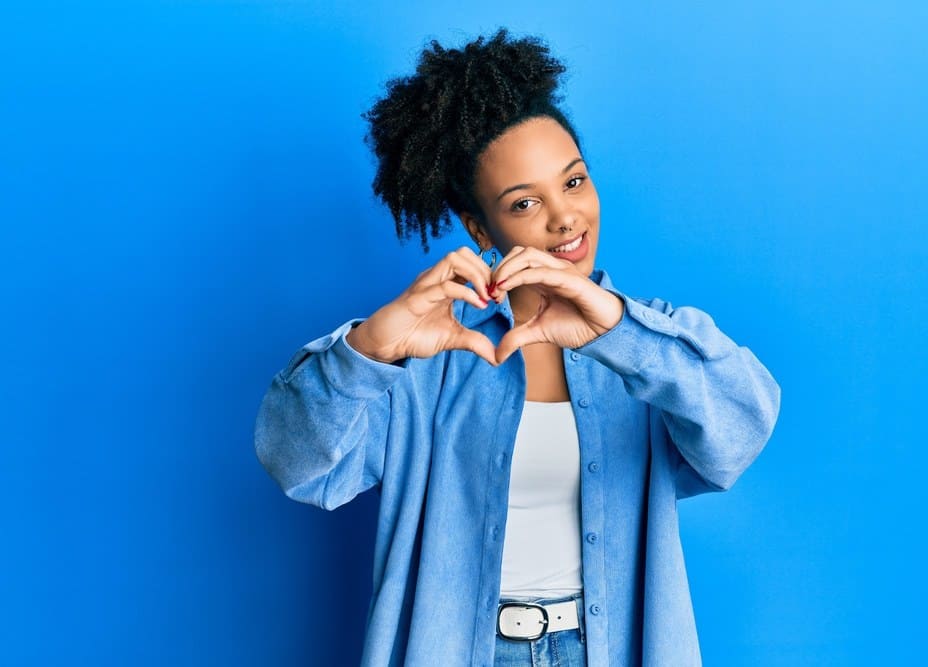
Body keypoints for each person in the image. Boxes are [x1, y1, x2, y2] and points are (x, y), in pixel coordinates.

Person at [254, 28, 780, 667]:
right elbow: (301, 467)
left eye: (575, 182)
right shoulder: (425, 359)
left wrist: (620, 333)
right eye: (525, 202)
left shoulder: (650, 343)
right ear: (481, 227)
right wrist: (368, 350)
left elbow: (740, 429)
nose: (565, 219)